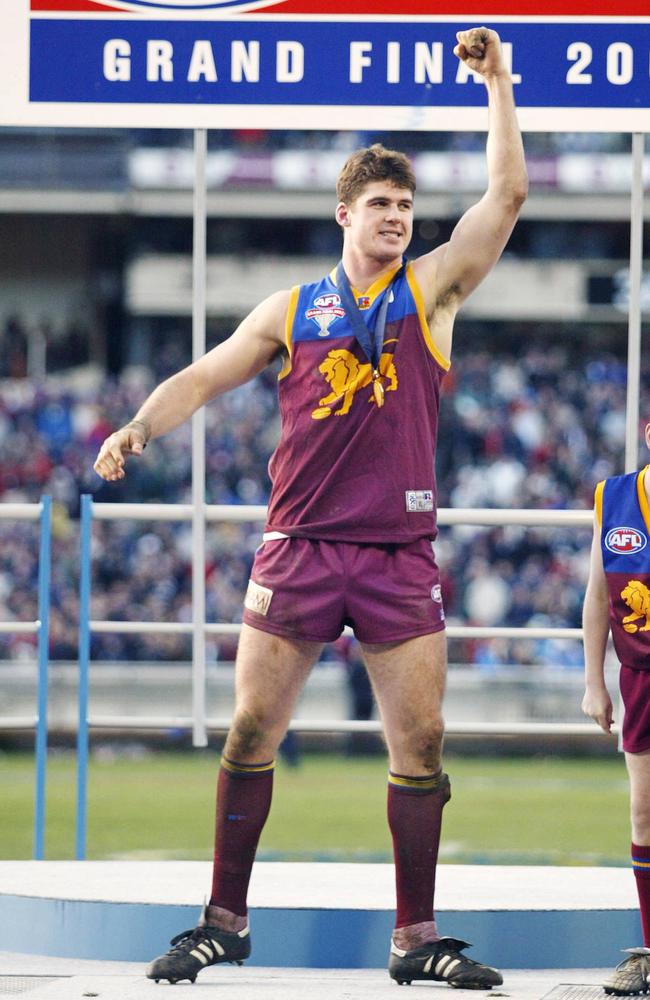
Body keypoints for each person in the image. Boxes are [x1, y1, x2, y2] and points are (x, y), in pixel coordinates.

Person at [94, 26, 527, 989]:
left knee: (421, 741)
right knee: (252, 731)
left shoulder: (431, 296)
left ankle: (416, 937)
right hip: (296, 547)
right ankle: (223, 921)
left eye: (408, 206)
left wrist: (498, 83)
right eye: (381, 204)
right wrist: (138, 429)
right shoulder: (292, 310)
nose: (399, 218)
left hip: (396, 551)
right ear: (344, 212)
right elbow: (204, 375)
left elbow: (505, 200)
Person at [582, 425, 650, 996]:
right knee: (645, 812)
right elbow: (598, 594)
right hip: (641, 677)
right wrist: (593, 683)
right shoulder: (615, 497)